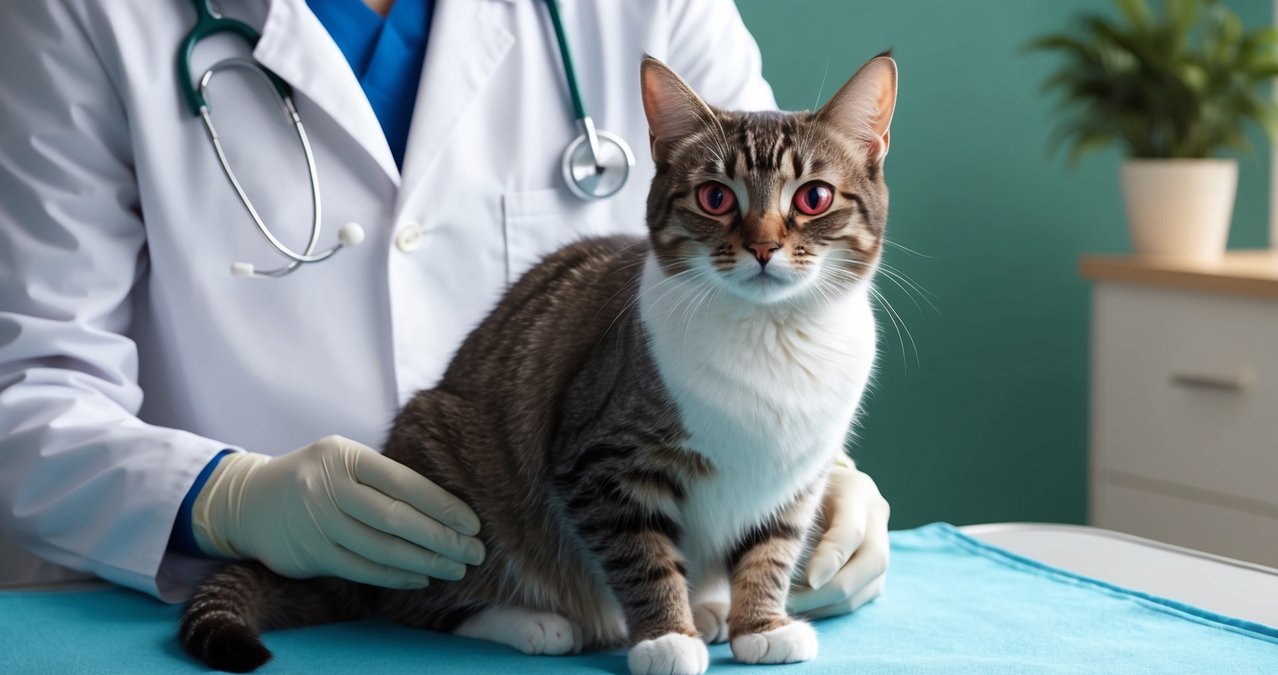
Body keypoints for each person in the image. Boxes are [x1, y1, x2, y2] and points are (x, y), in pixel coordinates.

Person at [0, 0, 890, 620]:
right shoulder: (81, 14)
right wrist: (220, 499)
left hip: (568, 632)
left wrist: (803, 469)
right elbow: (29, 389)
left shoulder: (649, 6)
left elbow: (776, 243)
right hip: (185, 606)